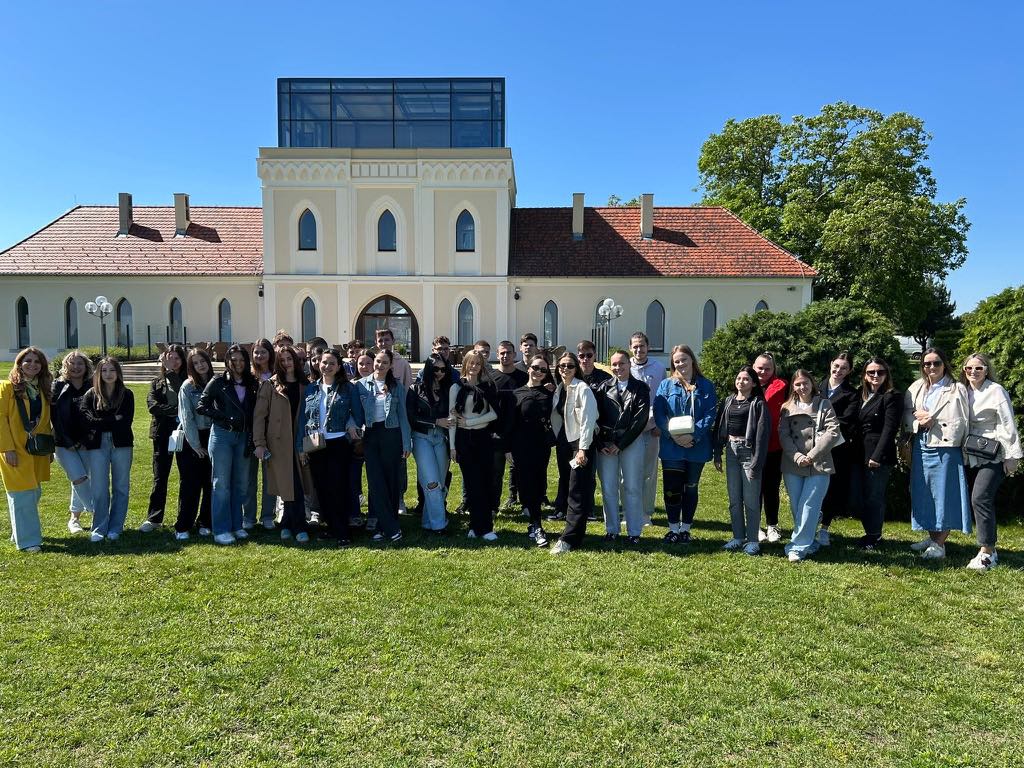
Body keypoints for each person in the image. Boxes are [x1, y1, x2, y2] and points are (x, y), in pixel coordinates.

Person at [904, 348, 971, 560]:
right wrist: (917, 422)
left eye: (936, 363)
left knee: (944, 495)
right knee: (925, 493)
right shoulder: (915, 388)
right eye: (927, 364)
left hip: (946, 447)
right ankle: (932, 538)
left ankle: (939, 545)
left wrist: (935, 423)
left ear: (945, 364)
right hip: (921, 444)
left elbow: (963, 420)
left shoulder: (956, 388)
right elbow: (905, 414)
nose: (931, 367)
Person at [959, 352, 1021, 570]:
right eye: (969, 368)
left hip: (994, 451)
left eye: (979, 368)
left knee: (981, 498)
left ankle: (988, 553)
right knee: (975, 499)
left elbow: (1008, 423)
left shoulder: (996, 391)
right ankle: (984, 547)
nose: (973, 372)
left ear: (987, 370)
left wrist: (1012, 456)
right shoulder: (962, 391)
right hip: (969, 452)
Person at [296, 348, 363, 545]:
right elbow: (302, 420)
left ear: (338, 366)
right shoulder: (311, 389)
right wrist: (301, 448)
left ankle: (343, 531)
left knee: (337, 487)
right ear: (318, 364)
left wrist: (351, 424)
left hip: (338, 443)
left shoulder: (347, 388)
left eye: (331, 363)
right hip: (316, 444)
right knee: (321, 487)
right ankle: (331, 528)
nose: (327, 366)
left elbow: (358, 415)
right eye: (324, 362)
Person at [653, 345, 718, 543]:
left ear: (692, 360)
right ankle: (673, 528)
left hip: (695, 447)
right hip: (672, 447)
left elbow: (710, 413)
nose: (680, 364)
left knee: (691, 487)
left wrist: (694, 435)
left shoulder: (706, 386)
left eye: (684, 359)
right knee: (672, 488)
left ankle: (686, 529)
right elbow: (659, 413)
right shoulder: (666, 385)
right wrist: (673, 435)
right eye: (676, 361)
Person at [197, 344, 259, 545]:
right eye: (234, 360)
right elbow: (202, 406)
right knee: (221, 484)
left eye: (242, 360)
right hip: (222, 435)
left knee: (241, 484)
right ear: (228, 361)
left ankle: (237, 525)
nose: (238, 364)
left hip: (243, 436)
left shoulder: (251, 383)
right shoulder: (218, 381)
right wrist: (223, 417)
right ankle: (221, 529)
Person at [778, 370, 842, 562]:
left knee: (809, 505)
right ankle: (810, 540)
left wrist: (812, 455)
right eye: (798, 384)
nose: (802, 387)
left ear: (812, 384)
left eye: (805, 383)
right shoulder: (787, 407)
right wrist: (797, 456)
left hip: (819, 462)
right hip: (793, 463)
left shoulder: (824, 404)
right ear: (793, 386)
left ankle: (796, 547)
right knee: (798, 506)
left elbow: (833, 431)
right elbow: (784, 435)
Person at [253, 344, 310, 542]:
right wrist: (259, 443)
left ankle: (286, 522)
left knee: (298, 483)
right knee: (289, 483)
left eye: (290, 359)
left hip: (302, 440)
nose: (287, 363)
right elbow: (259, 416)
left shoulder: (306, 383)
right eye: (283, 360)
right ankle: (299, 526)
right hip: (279, 442)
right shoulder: (270, 384)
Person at [1, 347, 54, 553]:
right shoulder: (7, 387)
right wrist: (6, 448)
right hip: (14, 448)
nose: (32, 364)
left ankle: (19, 532)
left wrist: (48, 449)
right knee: (21, 493)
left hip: (36, 448)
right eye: (28, 361)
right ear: (19, 364)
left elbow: (45, 420)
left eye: (37, 362)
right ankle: (29, 541)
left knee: (34, 492)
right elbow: (0, 418)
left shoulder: (41, 388)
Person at [713, 365, 770, 555]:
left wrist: (756, 462)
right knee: (734, 498)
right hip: (731, 450)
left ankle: (753, 540)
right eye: (739, 378)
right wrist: (717, 453)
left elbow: (762, 435)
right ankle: (738, 536)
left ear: (753, 383)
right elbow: (718, 427)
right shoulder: (728, 401)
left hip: (749, 452)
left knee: (751, 499)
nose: (741, 382)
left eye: (746, 379)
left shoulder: (758, 403)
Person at [595, 351, 650, 544]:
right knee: (609, 487)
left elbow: (640, 420)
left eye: (622, 364)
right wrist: (602, 443)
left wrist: (621, 444)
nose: (618, 368)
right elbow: (596, 418)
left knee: (632, 487)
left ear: (629, 364)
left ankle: (634, 531)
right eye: (614, 364)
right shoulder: (603, 388)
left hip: (630, 441)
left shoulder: (641, 388)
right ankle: (612, 529)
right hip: (607, 445)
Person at [356, 349, 410, 543]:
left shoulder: (397, 387)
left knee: (392, 482)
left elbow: (403, 416)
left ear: (390, 366)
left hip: (392, 434)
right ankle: (391, 528)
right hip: (371, 436)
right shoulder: (360, 386)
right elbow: (355, 414)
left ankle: (384, 526)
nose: (379, 365)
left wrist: (406, 442)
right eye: (378, 361)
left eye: (384, 362)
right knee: (376, 483)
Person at [549, 352, 599, 555]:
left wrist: (582, 449)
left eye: (569, 366)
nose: (565, 369)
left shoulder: (583, 388)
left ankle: (568, 539)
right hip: (564, 441)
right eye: (562, 366)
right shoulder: (560, 388)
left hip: (580, 443)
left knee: (576, 491)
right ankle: (576, 533)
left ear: (576, 368)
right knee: (568, 485)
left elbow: (588, 420)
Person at [80, 357, 134, 543]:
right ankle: (99, 527)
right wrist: (112, 420)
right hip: (97, 445)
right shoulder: (90, 395)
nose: (108, 374)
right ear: (98, 373)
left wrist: (101, 422)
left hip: (122, 444)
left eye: (112, 370)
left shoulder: (127, 395)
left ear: (118, 373)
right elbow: (87, 422)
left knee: (121, 487)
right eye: (104, 371)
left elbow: (125, 422)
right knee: (100, 488)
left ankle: (115, 527)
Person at [850, 357, 901, 550]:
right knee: (856, 496)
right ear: (864, 375)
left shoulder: (891, 396)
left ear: (886, 374)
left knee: (874, 497)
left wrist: (877, 457)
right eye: (871, 372)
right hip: (857, 453)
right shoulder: (860, 395)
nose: (876, 376)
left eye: (880, 372)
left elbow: (890, 428)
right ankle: (869, 531)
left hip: (877, 456)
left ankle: (874, 535)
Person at [449, 350, 499, 540]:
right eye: (471, 363)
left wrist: (470, 423)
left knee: (485, 483)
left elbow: (494, 414)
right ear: (465, 364)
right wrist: (452, 446)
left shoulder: (487, 386)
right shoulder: (456, 387)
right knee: (472, 485)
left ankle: (485, 528)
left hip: (483, 438)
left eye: (478, 364)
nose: (474, 367)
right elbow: (452, 418)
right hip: (463, 440)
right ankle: (475, 526)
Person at [140, 344, 186, 532]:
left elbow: (183, 395)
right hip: (162, 434)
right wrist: (176, 411)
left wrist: (171, 373)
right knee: (160, 477)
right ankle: (154, 518)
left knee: (187, 477)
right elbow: (153, 406)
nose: (173, 362)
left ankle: (184, 518)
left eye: (177, 358)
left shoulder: (187, 381)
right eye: (169, 358)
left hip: (185, 433)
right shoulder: (156, 382)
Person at [511, 354, 555, 547]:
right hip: (521, 446)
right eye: (536, 368)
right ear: (528, 368)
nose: (539, 372)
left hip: (541, 446)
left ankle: (536, 524)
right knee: (525, 485)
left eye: (543, 370)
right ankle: (534, 523)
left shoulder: (550, 394)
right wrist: (507, 449)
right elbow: (510, 424)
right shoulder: (517, 393)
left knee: (538, 484)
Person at [407, 354, 454, 533]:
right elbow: (411, 417)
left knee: (440, 484)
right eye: (436, 369)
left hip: (442, 439)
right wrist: (436, 421)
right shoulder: (415, 389)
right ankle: (439, 525)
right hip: (421, 438)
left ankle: (428, 522)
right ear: (428, 368)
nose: (440, 372)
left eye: (443, 369)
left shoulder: (449, 389)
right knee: (432, 483)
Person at [816, 352, 858, 545]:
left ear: (849, 371)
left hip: (835, 447)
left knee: (831, 487)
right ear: (830, 364)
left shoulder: (852, 394)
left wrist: (823, 427)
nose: (838, 370)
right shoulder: (816, 387)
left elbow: (847, 421)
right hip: (812, 445)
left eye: (844, 368)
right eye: (836, 365)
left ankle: (824, 528)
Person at [51, 350, 94, 533]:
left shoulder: (92, 386)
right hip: (63, 444)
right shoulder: (57, 386)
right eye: (72, 363)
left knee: (81, 479)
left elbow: (95, 414)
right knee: (79, 478)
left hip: (87, 442)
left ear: (86, 367)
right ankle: (98, 513)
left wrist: (85, 439)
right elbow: (54, 417)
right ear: (65, 365)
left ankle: (74, 520)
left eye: (80, 364)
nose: (76, 367)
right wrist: (68, 441)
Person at [175, 348, 215, 539]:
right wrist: (196, 445)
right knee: (190, 484)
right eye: (195, 363)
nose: (200, 365)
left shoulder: (217, 382)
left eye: (202, 361)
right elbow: (187, 417)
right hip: (192, 438)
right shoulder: (187, 387)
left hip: (213, 436)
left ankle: (205, 521)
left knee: (210, 483)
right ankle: (183, 525)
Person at [629, 331, 665, 524]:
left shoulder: (658, 368)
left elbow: (662, 398)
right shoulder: (626, 367)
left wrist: (659, 424)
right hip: (630, 428)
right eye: (635, 346)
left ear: (648, 347)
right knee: (627, 472)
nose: (638, 349)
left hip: (652, 428)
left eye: (642, 345)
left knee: (648, 472)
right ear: (630, 348)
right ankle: (629, 511)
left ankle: (645, 513)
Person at [754, 352, 788, 542]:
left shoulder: (783, 385)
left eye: (768, 368)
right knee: (754, 487)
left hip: (775, 444)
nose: (763, 372)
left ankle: (772, 525)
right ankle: (755, 524)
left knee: (772, 486)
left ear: (774, 369)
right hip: (752, 445)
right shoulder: (746, 383)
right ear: (753, 367)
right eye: (760, 368)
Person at [491, 340, 527, 514]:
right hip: (497, 434)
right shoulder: (491, 378)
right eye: (502, 353)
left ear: (514, 355)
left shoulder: (524, 378)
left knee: (522, 471)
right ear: (497, 355)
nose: (505, 356)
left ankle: (527, 505)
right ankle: (492, 506)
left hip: (519, 432)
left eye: (509, 353)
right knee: (496, 473)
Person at [246, 338, 277, 531]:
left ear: (270, 354)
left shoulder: (276, 375)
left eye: (263, 352)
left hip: (272, 431)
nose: (259, 356)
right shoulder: (248, 376)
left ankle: (267, 515)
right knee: (249, 477)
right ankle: (248, 516)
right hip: (250, 431)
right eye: (256, 352)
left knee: (269, 477)